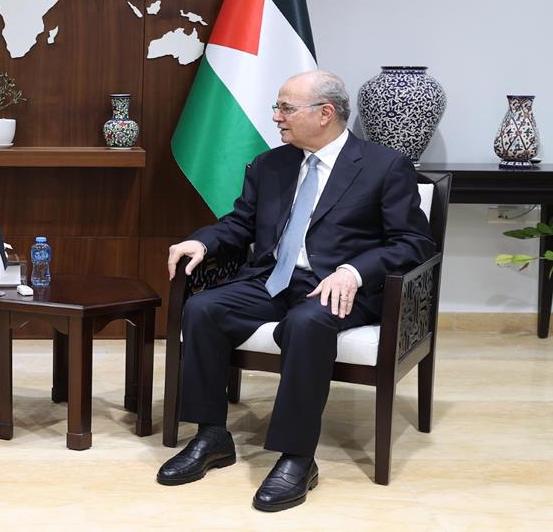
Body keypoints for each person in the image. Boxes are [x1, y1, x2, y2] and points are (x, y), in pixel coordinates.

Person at [156, 70, 434, 511]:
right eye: (278, 107)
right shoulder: (272, 164)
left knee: (306, 324)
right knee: (204, 308)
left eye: (286, 108)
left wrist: (354, 272)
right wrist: (203, 241)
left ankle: (297, 457)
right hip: (272, 278)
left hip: (338, 286)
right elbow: (241, 223)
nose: (276, 117)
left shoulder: (384, 166)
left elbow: (413, 242)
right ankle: (211, 436)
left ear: (325, 114)